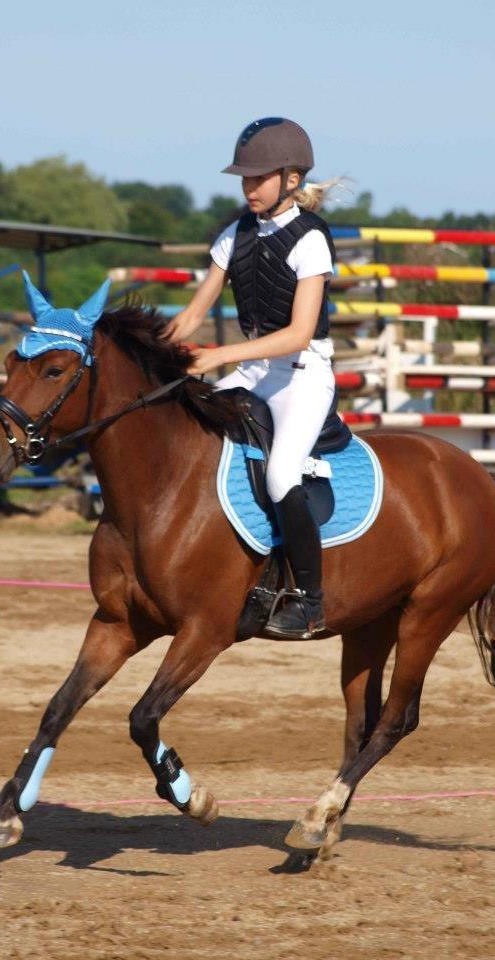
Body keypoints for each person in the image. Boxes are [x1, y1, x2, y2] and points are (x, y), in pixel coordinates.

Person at [165, 117, 339, 640]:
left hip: (303, 376)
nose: (249, 187)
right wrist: (152, 348)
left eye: (258, 178)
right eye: (245, 178)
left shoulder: (312, 239)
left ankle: (310, 601)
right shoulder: (235, 234)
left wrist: (220, 355)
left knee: (282, 474)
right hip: (254, 371)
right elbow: (192, 315)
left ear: (291, 179)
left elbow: (298, 334)